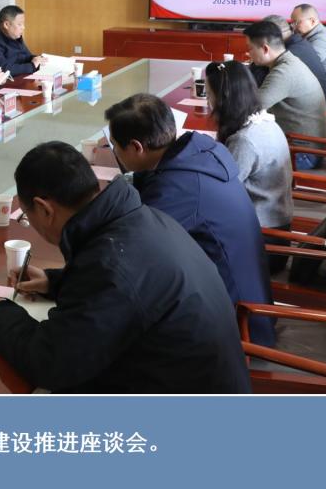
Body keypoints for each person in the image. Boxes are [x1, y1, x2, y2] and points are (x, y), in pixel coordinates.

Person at [0, 142, 251, 393]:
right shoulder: (140, 218)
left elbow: (52, 362)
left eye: (27, 217)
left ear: (44, 209)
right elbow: (129, 291)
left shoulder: (109, 263)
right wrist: (55, 282)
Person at [104, 94, 275, 346]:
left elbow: (129, 255)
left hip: (238, 324)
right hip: (247, 300)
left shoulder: (175, 190)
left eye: (115, 146)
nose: (115, 154)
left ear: (137, 147)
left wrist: (60, 280)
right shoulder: (203, 153)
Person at [206, 61, 294, 273]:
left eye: (209, 95)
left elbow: (220, 192)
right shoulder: (265, 121)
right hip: (274, 227)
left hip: (262, 244)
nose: (208, 102)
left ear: (224, 99)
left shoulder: (245, 140)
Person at [243, 20, 326, 170]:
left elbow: (252, 107)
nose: (248, 53)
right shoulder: (286, 61)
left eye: (250, 49)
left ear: (265, 49)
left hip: (303, 153)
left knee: (243, 159)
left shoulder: (284, 71)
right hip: (302, 145)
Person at [251, 14, 326, 112]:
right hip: (305, 109)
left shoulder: (292, 54)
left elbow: (259, 84)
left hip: (313, 115)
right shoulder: (297, 43)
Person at [291, 3, 326, 94]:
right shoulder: (313, 34)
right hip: (318, 90)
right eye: (292, 22)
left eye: (297, 22)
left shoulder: (322, 38)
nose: (293, 27)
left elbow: (304, 65)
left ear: (312, 21)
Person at [0, 5, 44, 75]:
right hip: (1, 81)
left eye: (23, 24)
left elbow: (25, 56)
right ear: (6, 25)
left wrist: (38, 59)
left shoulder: (14, 36)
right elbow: (3, 69)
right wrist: (32, 66)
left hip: (18, 78)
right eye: (19, 24)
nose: (23, 27)